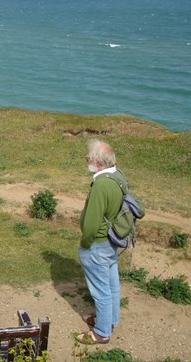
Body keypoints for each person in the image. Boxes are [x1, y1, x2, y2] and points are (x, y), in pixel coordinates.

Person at [77, 139, 126, 345]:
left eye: (88, 157)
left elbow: (91, 222)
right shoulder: (118, 176)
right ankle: (110, 320)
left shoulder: (101, 184)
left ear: (98, 162)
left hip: (97, 243)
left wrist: (85, 243)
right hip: (111, 240)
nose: (86, 160)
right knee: (112, 285)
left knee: (101, 291)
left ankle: (101, 333)